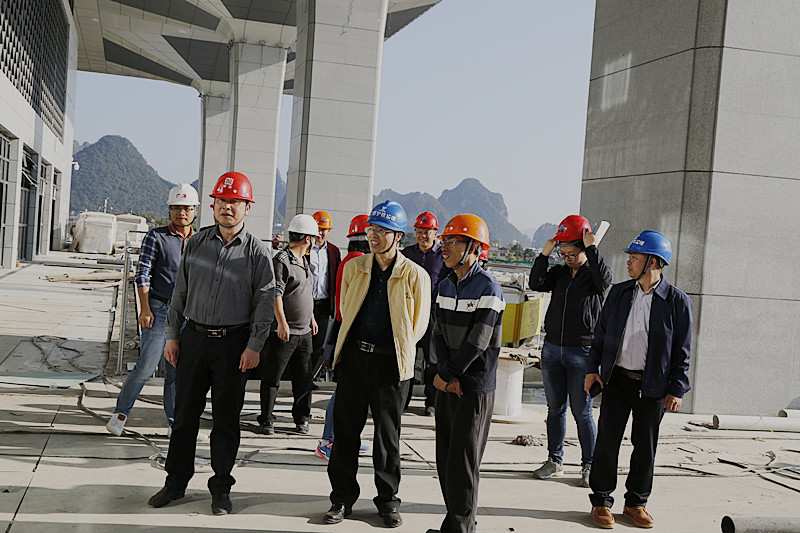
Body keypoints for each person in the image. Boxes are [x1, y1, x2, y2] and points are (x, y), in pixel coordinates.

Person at [147, 172, 275, 516]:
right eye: (221, 201)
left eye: (234, 202)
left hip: (234, 346)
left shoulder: (257, 252)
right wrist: (172, 335)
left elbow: (265, 302)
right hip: (194, 339)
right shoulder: (196, 243)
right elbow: (180, 292)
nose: (227, 207)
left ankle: (220, 488)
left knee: (226, 421)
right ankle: (175, 483)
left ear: (247, 207)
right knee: (184, 416)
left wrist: (254, 345)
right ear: (213, 205)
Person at [324, 200, 430, 528]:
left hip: (391, 366)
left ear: (398, 236)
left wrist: (397, 351)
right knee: (345, 434)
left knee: (387, 438)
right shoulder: (355, 268)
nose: (373, 236)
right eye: (371, 229)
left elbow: (418, 325)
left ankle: (388, 502)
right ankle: (341, 499)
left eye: (382, 231)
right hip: (355, 360)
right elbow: (345, 310)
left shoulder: (415, 275)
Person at [584, 230, 692, 529]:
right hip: (617, 380)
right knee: (607, 443)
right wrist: (592, 368)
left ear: (653, 262)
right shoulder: (619, 293)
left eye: (635, 256)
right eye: (630, 255)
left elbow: (682, 350)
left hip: (653, 386)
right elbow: (600, 335)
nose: (628, 261)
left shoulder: (677, 302)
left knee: (645, 447)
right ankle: (601, 501)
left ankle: (635, 503)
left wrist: (677, 389)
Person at [427, 214, 504, 533]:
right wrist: (445, 375)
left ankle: (462, 529)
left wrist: (449, 375)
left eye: (452, 241)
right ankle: (455, 524)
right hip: (449, 383)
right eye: (443, 240)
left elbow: (478, 342)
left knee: (464, 464)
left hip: (474, 388)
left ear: (473, 247)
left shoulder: (489, 287)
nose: (443, 246)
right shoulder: (446, 285)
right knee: (446, 460)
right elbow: (437, 333)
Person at [106, 184, 199, 437]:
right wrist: (145, 309)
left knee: (177, 372)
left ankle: (174, 424)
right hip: (159, 310)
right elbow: (143, 274)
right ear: (169, 209)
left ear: (195, 211)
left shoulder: (199, 241)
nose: (181, 213)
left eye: (187, 208)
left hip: (187, 316)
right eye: (176, 207)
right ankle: (120, 415)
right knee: (146, 367)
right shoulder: (156, 237)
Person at [528, 215, 612, 487]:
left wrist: (593, 249)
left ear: (585, 249)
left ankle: (590, 465)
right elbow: (536, 283)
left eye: (572, 254)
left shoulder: (593, 275)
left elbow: (605, 280)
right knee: (555, 409)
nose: (567, 259)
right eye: (563, 254)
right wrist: (545, 255)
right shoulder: (560, 274)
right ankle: (555, 461)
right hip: (553, 348)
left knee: (582, 412)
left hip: (582, 352)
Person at [257, 214, 320, 435]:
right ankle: (266, 419)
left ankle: (302, 418)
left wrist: (311, 317)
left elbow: (305, 293)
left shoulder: (304, 261)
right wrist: (282, 323)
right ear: (308, 239)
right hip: (284, 332)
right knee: (272, 377)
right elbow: (276, 293)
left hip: (304, 332)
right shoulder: (282, 260)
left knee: (304, 378)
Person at [316, 214, 371, 460]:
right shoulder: (358, 262)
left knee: (350, 392)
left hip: (343, 329)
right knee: (344, 392)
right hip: (351, 332)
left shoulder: (349, 259)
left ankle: (342, 439)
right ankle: (327, 440)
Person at [401, 211, 451, 415]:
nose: (423, 236)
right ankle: (402, 400)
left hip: (433, 312)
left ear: (435, 233)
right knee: (407, 355)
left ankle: (431, 402)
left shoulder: (443, 255)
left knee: (432, 359)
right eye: (419, 232)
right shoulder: (406, 254)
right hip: (409, 311)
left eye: (427, 232)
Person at [309, 211, 342, 377]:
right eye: (318, 229)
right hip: (304, 305)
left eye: (324, 230)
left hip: (323, 305)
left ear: (329, 231)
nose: (320, 233)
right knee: (300, 345)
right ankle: (296, 380)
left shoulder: (334, 251)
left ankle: (308, 379)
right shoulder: (305, 249)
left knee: (318, 346)